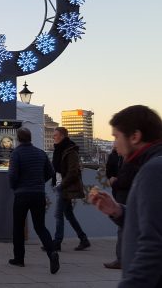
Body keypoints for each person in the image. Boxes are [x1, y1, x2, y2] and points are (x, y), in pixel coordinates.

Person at [90, 105, 162, 287]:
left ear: (135, 136)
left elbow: (154, 245)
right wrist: (118, 211)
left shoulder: (153, 170)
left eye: (116, 136)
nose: (114, 145)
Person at [8, 128, 60, 274]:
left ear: (18, 139)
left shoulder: (16, 154)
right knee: (40, 226)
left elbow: (12, 175)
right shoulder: (40, 153)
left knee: (18, 226)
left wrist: (15, 187)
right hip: (38, 194)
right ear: (30, 138)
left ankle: (19, 259)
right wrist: (40, 182)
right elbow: (50, 172)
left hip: (22, 195)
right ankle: (51, 253)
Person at [51, 127, 90, 251]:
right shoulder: (59, 149)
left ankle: (57, 243)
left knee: (58, 215)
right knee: (68, 214)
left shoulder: (70, 151)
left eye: (55, 135)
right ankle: (83, 239)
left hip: (64, 187)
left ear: (62, 136)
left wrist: (62, 185)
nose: (53, 137)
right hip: (60, 185)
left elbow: (73, 172)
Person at [104, 146, 124, 269]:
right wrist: (111, 179)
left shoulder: (130, 157)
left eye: (117, 137)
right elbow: (108, 170)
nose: (115, 142)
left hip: (123, 190)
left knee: (123, 225)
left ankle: (121, 258)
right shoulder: (113, 156)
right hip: (118, 190)